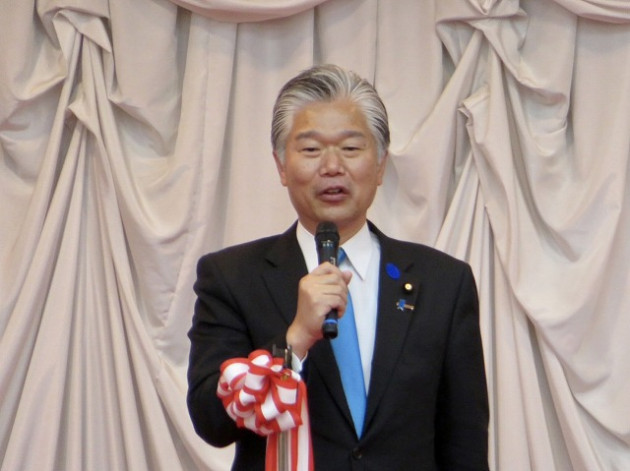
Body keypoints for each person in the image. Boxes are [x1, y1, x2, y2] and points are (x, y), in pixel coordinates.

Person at [187, 64, 489, 470]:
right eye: (311, 150)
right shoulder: (232, 277)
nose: (332, 166)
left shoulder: (443, 283)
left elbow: (465, 442)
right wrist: (294, 341)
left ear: (380, 165)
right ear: (281, 166)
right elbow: (211, 422)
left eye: (350, 148)